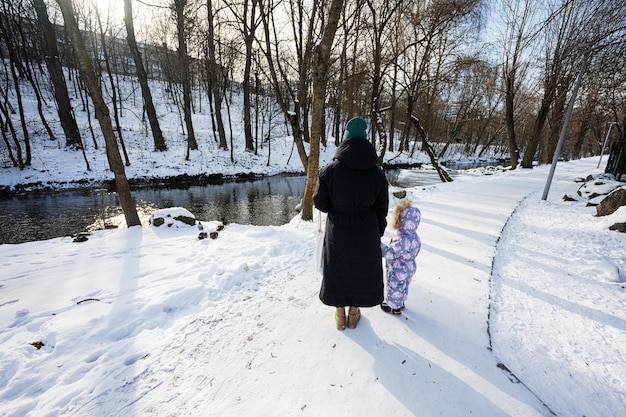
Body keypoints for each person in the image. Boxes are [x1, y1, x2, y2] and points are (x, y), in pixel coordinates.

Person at [313, 117, 389, 330]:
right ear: (366, 141)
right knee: (361, 270)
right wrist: (377, 231)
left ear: (344, 141)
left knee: (338, 268)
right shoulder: (377, 174)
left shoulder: (329, 171)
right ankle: (354, 312)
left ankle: (339, 314)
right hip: (367, 229)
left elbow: (320, 203)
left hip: (338, 228)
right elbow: (382, 207)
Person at [380, 199, 421, 315]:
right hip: (409, 267)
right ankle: (401, 302)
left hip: (399, 268)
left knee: (395, 287)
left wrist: (378, 245)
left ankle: (394, 307)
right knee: (403, 286)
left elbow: (390, 253)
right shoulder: (414, 237)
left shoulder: (402, 240)